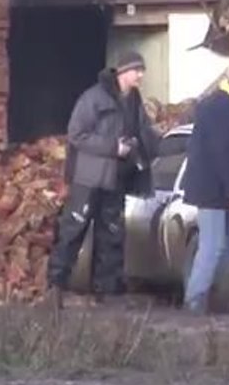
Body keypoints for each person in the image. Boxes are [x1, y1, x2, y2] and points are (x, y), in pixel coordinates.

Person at [47, 51, 158, 308]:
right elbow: (76, 134)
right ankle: (55, 287)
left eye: (142, 71)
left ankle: (107, 292)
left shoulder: (134, 100)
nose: (141, 75)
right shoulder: (93, 98)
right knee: (73, 231)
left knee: (112, 235)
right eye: (136, 70)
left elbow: (142, 131)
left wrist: (151, 147)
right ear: (122, 72)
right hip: (89, 179)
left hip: (117, 179)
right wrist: (112, 147)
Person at [179, 56, 229, 314]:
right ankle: (195, 302)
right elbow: (224, 152)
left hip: (209, 186)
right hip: (214, 189)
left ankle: (205, 298)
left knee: (214, 246)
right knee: (212, 247)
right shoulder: (224, 107)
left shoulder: (213, 102)